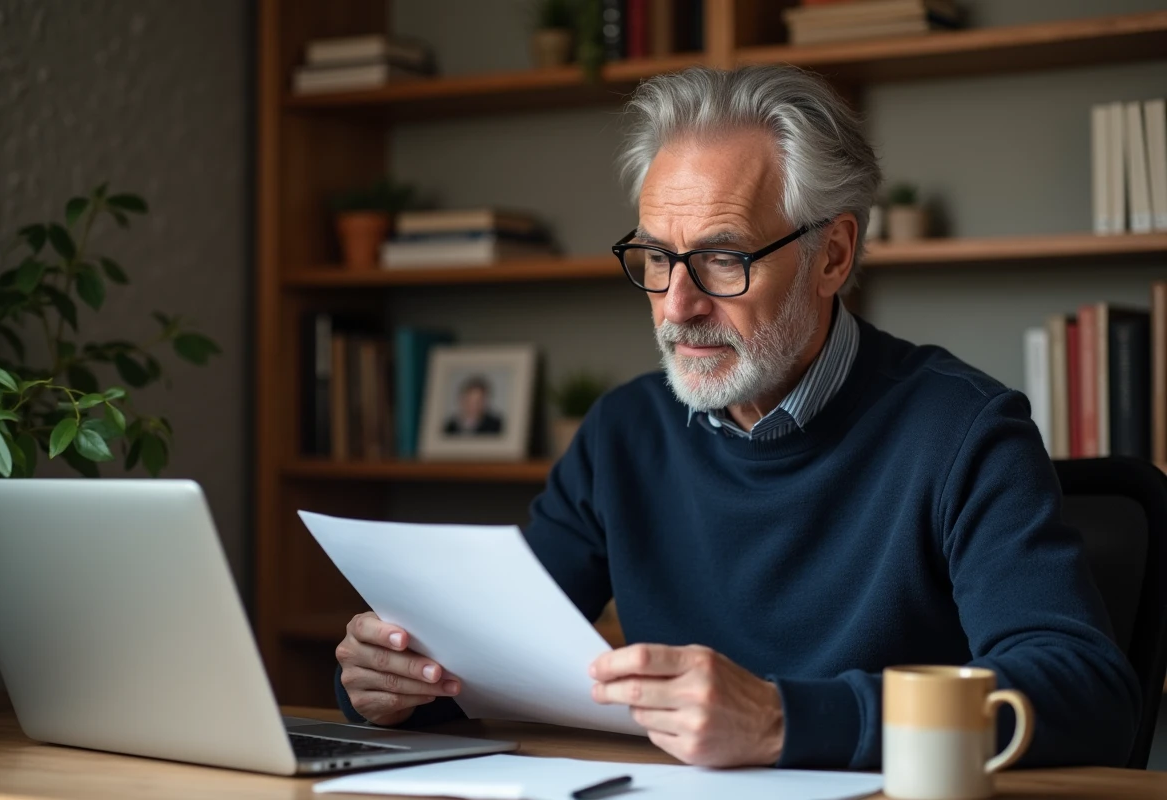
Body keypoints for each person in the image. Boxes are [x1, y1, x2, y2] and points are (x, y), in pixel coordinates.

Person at [333, 65, 1139, 769]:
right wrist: (393, 685)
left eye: (723, 257)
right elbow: (495, 661)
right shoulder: (623, 435)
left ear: (833, 256)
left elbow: (1086, 693)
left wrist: (785, 721)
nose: (678, 306)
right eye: (656, 257)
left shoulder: (964, 432)